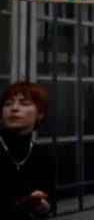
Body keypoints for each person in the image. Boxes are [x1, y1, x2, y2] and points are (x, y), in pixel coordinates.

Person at [0, 81, 54, 220]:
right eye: (8, 103)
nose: (14, 108)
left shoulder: (44, 157)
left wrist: (43, 206)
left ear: (40, 113)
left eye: (24, 103)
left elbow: (50, 203)